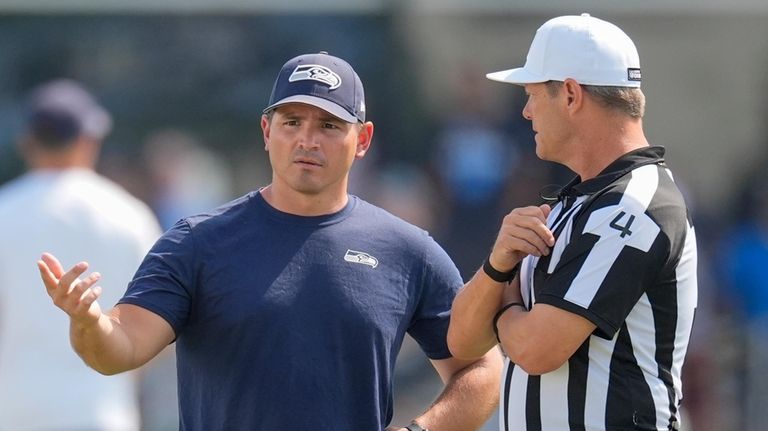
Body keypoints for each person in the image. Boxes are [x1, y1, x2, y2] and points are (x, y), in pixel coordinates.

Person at [37, 52, 503, 431]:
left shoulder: (407, 250)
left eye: (329, 126)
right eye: (292, 122)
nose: (307, 140)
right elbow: (120, 348)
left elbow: (480, 369)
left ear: (362, 140)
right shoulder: (197, 242)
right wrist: (88, 324)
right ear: (267, 131)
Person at [447, 14, 698, 431]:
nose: (526, 112)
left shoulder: (637, 204)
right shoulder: (579, 201)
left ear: (569, 94)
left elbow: (535, 350)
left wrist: (506, 300)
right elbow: (463, 343)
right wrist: (496, 267)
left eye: (531, 95)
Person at [0, 79, 162, 430]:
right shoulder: (130, 215)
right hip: (101, 412)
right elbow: (158, 325)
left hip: (14, 412)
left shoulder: (4, 212)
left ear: (27, 142)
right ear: (89, 140)